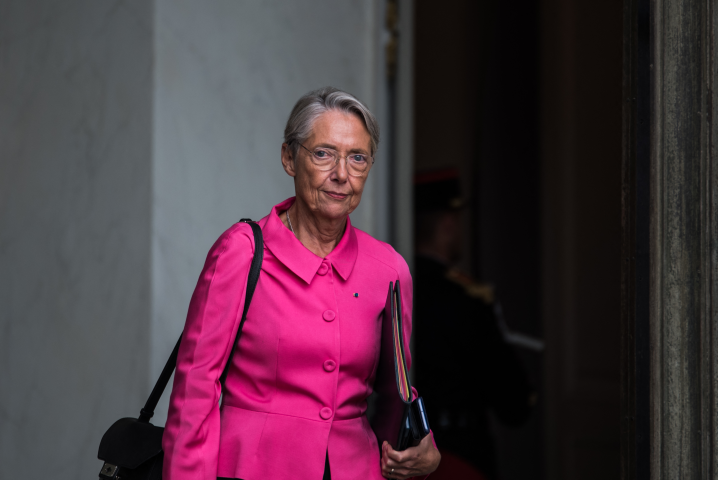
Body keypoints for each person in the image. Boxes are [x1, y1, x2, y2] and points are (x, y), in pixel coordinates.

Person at [162, 87, 441, 480]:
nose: (341, 174)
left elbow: (397, 398)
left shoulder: (389, 270)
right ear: (289, 158)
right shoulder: (240, 254)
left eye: (357, 158)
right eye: (323, 153)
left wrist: (424, 453)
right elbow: (194, 394)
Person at [412, 169, 533, 480]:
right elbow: (514, 404)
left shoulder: (392, 288)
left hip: (401, 453)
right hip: (459, 454)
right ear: (449, 224)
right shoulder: (465, 299)